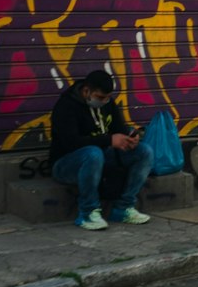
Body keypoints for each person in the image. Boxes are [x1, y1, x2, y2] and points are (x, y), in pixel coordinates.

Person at [49, 69, 153, 229]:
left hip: (101, 157)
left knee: (144, 152)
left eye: (107, 97)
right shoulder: (66, 107)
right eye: (100, 97)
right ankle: (87, 212)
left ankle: (123, 207)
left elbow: (119, 127)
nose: (104, 101)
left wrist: (130, 136)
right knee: (92, 153)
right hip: (66, 164)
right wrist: (109, 140)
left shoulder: (107, 103)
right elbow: (71, 143)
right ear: (86, 91)